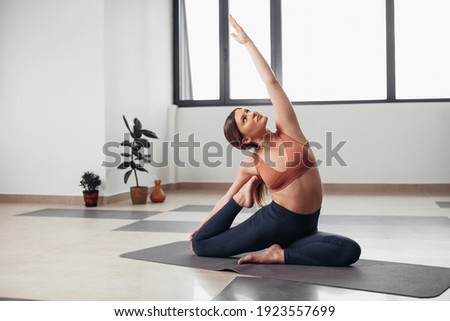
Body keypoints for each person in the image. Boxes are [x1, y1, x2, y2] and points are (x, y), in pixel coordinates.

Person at [190, 15, 361, 266]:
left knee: (349, 250)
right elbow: (225, 196)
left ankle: (280, 254)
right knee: (201, 245)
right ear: (246, 137)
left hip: (306, 228)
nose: (251, 113)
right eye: (245, 118)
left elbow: (271, 82)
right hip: (274, 222)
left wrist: (247, 43)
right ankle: (244, 200)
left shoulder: (288, 129)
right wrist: (204, 224)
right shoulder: (252, 164)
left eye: (247, 111)